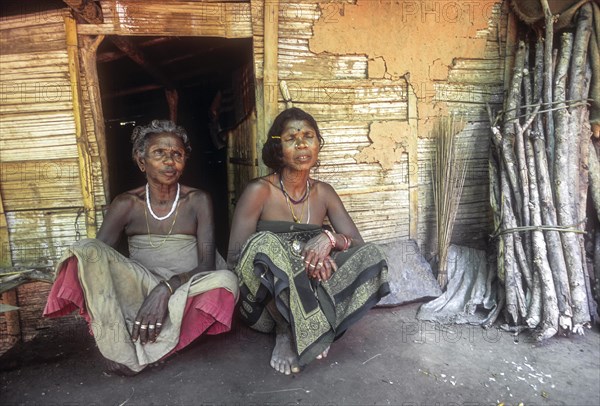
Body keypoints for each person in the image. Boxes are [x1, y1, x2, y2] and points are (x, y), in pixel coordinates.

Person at [43, 120, 239, 376]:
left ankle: (153, 347)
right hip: (141, 285)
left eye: (177, 154)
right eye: (160, 153)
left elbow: (206, 265)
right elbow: (97, 268)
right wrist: (152, 288)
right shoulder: (126, 203)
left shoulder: (197, 200)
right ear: (141, 160)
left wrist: (166, 287)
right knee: (84, 254)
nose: (170, 161)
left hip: (187, 285)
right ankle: (114, 345)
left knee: (226, 281)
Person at [227, 107, 390, 375]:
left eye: (309, 136)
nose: (302, 144)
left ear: (318, 144)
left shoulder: (324, 192)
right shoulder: (259, 191)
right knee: (263, 244)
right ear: (278, 149)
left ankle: (313, 323)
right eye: (292, 138)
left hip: (312, 291)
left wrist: (328, 239)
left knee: (373, 254)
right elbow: (236, 256)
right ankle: (288, 331)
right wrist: (297, 262)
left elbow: (358, 244)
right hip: (267, 308)